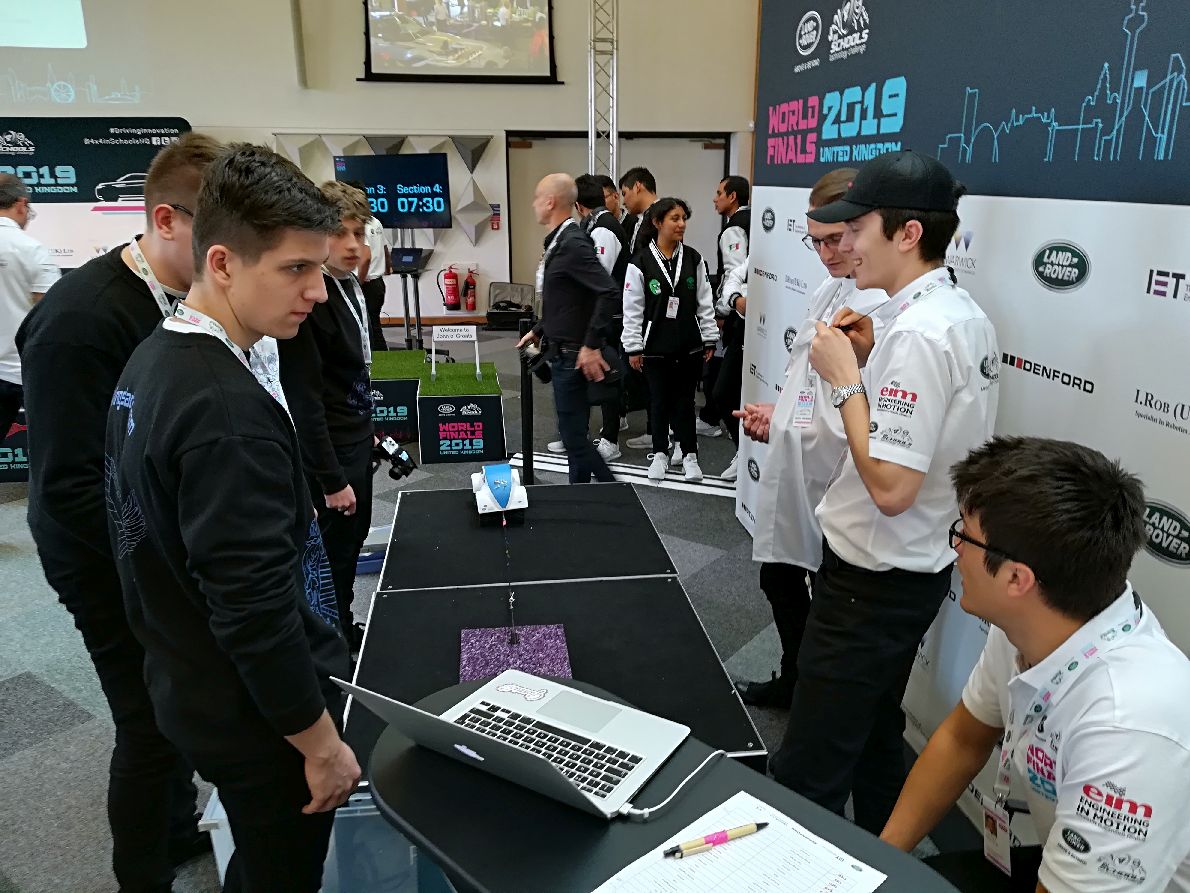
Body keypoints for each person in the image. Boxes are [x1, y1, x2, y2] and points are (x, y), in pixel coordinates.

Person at [105, 144, 358, 893]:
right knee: (282, 871)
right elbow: (253, 612)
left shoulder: (155, 358)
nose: (316, 290)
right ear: (221, 263)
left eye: (319, 267)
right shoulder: (224, 415)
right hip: (256, 713)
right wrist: (320, 744)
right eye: (294, 269)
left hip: (192, 679)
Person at [768, 150, 999, 835]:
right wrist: (869, 361)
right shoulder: (953, 315)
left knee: (809, 767)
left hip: (872, 582)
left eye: (857, 228)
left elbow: (892, 487)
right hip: (905, 571)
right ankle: (880, 859)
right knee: (871, 733)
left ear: (907, 233)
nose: (848, 246)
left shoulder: (923, 332)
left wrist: (845, 378)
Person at [16, 133, 223, 893]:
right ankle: (142, 875)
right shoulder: (83, 320)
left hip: (152, 539)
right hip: (99, 552)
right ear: (165, 220)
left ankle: (175, 827)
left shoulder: (177, 297)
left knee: (175, 704)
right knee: (147, 717)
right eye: (217, 235)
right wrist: (161, 571)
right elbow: (70, 487)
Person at [882, 436, 1190, 892]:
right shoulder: (1034, 623)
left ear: (1016, 578)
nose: (956, 548)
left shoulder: (1128, 726)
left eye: (965, 534)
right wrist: (875, 864)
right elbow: (963, 740)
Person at [732, 167, 885, 708]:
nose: (824, 253)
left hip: (843, 480)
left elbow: (866, 411)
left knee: (827, 599)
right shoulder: (830, 289)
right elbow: (810, 381)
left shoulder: (886, 307)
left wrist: (789, 423)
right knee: (779, 578)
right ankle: (795, 681)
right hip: (800, 463)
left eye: (835, 239)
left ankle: (814, 698)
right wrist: (779, 414)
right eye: (815, 241)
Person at [279, 181, 376, 651]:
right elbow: (305, 401)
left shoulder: (348, 285)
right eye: (340, 233)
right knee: (331, 555)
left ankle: (344, 624)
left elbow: (350, 371)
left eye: (359, 232)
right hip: (330, 453)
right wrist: (332, 480)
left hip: (355, 436)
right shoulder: (311, 301)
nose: (353, 245)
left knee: (352, 544)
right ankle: (332, 644)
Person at [517, 173, 620, 484]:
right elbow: (569, 298)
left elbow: (608, 291)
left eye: (537, 198)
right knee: (575, 436)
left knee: (573, 439)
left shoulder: (572, 243)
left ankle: (614, 496)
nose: (533, 204)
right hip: (563, 351)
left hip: (575, 356)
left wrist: (591, 345)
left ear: (550, 202)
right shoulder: (560, 241)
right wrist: (540, 329)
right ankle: (581, 494)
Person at [622, 197, 718, 483]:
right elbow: (632, 309)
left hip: (688, 343)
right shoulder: (640, 262)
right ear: (657, 222)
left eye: (683, 218)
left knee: (685, 402)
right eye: (674, 218)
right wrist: (633, 346)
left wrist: (709, 337)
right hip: (654, 346)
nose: (681, 224)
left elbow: (704, 301)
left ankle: (689, 455)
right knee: (658, 402)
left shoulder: (693, 258)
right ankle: (660, 454)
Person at [0, 175, 59, 436]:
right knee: (48, 441)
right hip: (21, 370)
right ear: (21, 204)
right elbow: (50, 312)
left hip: (17, 372)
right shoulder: (32, 249)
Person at [577, 172, 629, 462]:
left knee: (608, 374)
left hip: (611, 315)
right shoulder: (597, 225)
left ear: (578, 205)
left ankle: (610, 439)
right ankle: (582, 432)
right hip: (604, 312)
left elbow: (598, 277)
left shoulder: (604, 229)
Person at [707, 174, 751, 480]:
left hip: (742, 318)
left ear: (732, 196)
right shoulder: (756, 222)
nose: (715, 198)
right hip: (751, 319)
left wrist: (723, 308)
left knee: (725, 392)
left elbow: (734, 273)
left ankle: (743, 451)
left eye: (719, 192)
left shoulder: (735, 227)